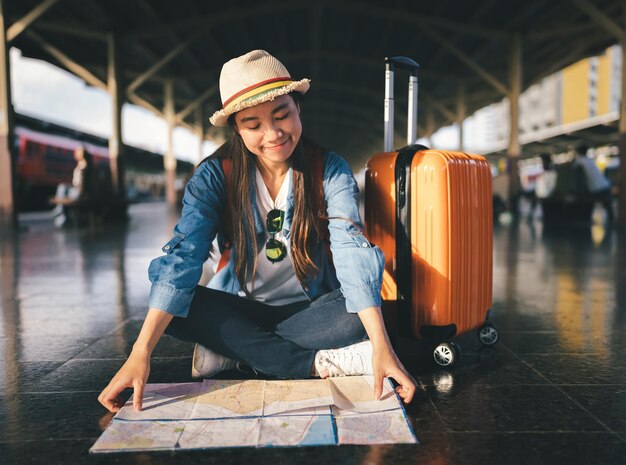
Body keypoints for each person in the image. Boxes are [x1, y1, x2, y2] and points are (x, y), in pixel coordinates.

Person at [98, 50, 416, 413]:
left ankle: (234, 353)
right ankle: (312, 364)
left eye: (282, 115)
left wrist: (382, 346)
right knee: (176, 308)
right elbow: (183, 257)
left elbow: (350, 246)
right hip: (243, 308)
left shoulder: (328, 169)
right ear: (236, 128)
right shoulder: (214, 177)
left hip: (312, 310)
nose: (273, 134)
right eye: (253, 125)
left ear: (299, 108)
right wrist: (140, 354)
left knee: (362, 309)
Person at [572, 144, 613, 223]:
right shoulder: (590, 160)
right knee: (608, 207)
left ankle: (587, 223)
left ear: (577, 152)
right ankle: (613, 224)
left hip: (595, 188)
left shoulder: (579, 161)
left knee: (588, 205)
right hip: (605, 185)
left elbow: (576, 175)